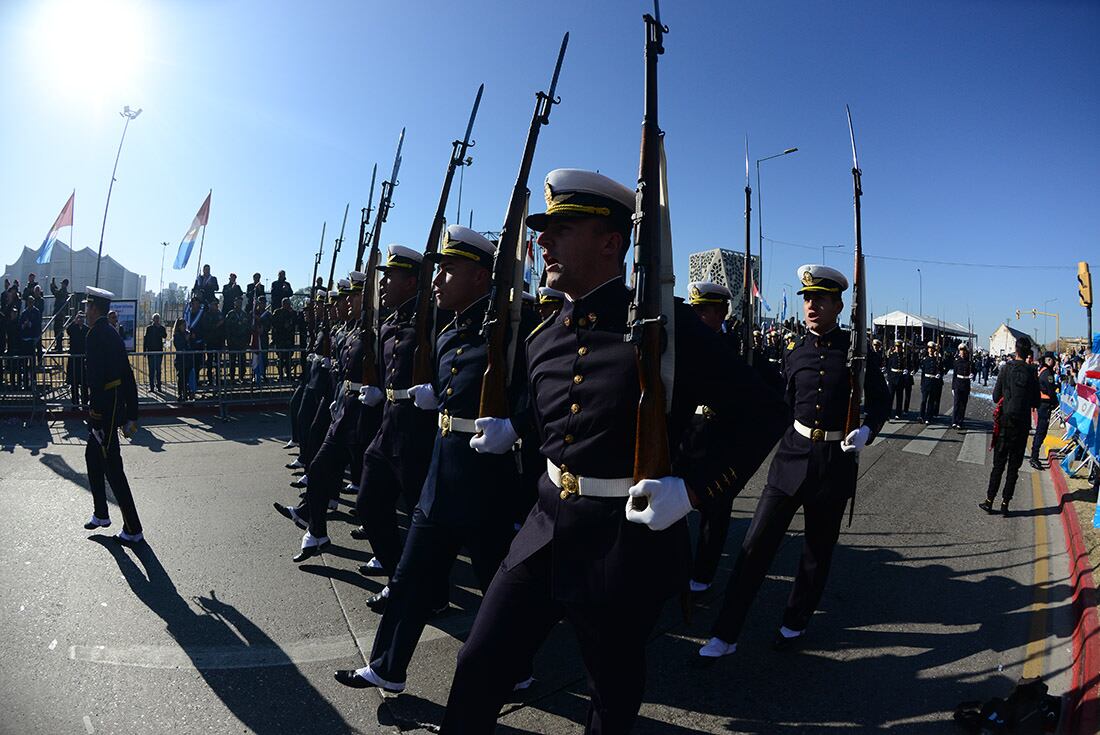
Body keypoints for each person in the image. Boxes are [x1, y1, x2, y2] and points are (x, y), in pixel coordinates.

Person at [437, 171, 787, 732]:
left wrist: (693, 489)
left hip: (621, 544)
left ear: (612, 242)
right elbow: (546, 413)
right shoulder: (541, 337)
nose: (543, 241)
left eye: (561, 228)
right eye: (544, 230)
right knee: (480, 660)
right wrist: (514, 430)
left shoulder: (665, 328)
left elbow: (763, 412)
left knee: (611, 694)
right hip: (545, 524)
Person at [335, 225, 537, 696]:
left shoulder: (513, 331)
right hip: (441, 471)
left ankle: (521, 665)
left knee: (495, 583)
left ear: (483, 277)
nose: (439, 278)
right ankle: (387, 666)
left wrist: (517, 427)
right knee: (409, 575)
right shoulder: (448, 333)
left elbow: (541, 396)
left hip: (486, 479)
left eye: (450, 269)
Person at [699, 263, 890, 662]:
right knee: (754, 546)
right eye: (807, 298)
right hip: (790, 458)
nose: (811, 305)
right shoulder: (793, 350)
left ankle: (796, 617)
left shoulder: (856, 351)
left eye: (820, 298)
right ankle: (726, 631)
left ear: (839, 304)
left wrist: (868, 430)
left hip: (834, 463)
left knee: (817, 551)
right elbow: (779, 405)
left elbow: (881, 399)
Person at [352, 245, 438, 583]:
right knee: (369, 504)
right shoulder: (389, 323)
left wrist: (439, 395)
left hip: (417, 430)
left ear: (413, 282)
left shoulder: (432, 319)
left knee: (425, 520)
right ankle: (398, 576)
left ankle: (428, 591)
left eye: (391, 276)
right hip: (388, 425)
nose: (384, 283)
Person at [684, 280, 739, 593]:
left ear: (721, 312)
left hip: (719, 439)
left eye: (704, 310)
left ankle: (702, 577)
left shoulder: (736, 349)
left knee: (715, 515)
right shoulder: (681, 342)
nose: (698, 315)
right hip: (685, 437)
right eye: (696, 309)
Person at [81, 287, 144, 545]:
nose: (85, 311)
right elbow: (127, 375)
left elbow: (95, 379)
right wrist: (132, 412)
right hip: (114, 405)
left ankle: (133, 528)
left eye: (87, 307)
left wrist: (95, 415)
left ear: (95, 308)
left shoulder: (96, 334)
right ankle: (101, 513)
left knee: (113, 468)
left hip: (104, 409)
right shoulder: (112, 333)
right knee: (92, 457)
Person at [982, 337, 1039, 514]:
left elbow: (995, 395)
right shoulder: (1032, 372)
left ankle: (989, 500)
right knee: (1014, 467)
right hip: (1022, 424)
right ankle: (1006, 503)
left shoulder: (1006, 369)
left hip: (1006, 421)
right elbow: (1036, 400)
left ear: (1016, 350)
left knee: (998, 465)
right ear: (1028, 352)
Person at [1029, 351, 1058, 470]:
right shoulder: (1048, 374)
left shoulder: (1042, 370)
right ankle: (1034, 457)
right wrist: (1055, 401)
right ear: (1049, 360)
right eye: (1053, 360)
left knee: (1040, 431)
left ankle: (1034, 455)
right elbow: (1051, 392)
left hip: (1041, 404)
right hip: (1045, 405)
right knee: (1041, 431)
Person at [65, 311, 89, 407]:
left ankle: (84, 402)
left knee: (84, 382)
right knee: (74, 383)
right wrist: (74, 321)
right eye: (79, 317)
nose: (80, 319)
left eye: (82, 317)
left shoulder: (87, 329)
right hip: (74, 359)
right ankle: (74, 402)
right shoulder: (72, 328)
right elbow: (68, 330)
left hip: (83, 359)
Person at [224, 296, 249, 382]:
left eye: (240, 302)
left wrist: (247, 341)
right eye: (237, 302)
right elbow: (227, 328)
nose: (239, 304)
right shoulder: (231, 314)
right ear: (234, 303)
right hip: (233, 341)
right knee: (232, 362)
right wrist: (228, 340)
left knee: (242, 361)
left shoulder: (244, 314)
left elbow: (247, 329)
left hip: (242, 342)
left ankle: (241, 377)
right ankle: (232, 378)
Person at [271, 297, 297, 380]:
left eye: (289, 304)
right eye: (286, 304)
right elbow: (274, 325)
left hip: (289, 339)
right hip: (280, 339)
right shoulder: (277, 312)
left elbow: (295, 323)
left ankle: (289, 374)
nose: (288, 306)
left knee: (289, 358)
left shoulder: (292, 313)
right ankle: (280, 375)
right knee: (281, 358)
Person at [918, 341, 944, 424]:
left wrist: (939, 374)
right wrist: (922, 384)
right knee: (923, 401)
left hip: (934, 383)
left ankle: (928, 418)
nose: (930, 350)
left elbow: (941, 369)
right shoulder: (925, 359)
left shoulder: (937, 360)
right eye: (929, 349)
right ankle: (921, 416)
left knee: (931, 401)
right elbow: (923, 373)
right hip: (926, 382)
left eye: (932, 349)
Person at [143, 314, 168, 392]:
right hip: (151, 351)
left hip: (159, 351)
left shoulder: (161, 328)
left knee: (158, 370)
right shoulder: (149, 328)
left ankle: (159, 386)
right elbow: (145, 339)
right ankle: (151, 387)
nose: (157, 320)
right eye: (155, 318)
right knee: (151, 370)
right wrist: (144, 351)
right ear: (152, 319)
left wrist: (160, 329)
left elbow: (165, 336)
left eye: (158, 318)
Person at [951, 344, 973, 430]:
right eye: (961, 351)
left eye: (964, 351)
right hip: (958, 384)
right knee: (956, 403)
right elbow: (954, 375)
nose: (962, 353)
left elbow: (973, 372)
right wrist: (953, 387)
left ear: (966, 352)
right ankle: (954, 421)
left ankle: (960, 422)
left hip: (966, 384)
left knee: (963, 404)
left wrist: (972, 375)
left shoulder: (969, 362)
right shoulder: (956, 361)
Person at [172, 318, 192, 402]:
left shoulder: (187, 333)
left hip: (188, 359)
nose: (185, 327)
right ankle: (180, 394)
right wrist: (186, 340)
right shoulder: (176, 335)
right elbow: (179, 346)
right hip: (180, 359)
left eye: (185, 325)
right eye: (183, 325)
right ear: (179, 326)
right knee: (181, 377)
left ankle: (187, 394)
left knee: (187, 377)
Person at [50, 277, 70, 351]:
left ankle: (59, 346)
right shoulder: (63, 291)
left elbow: (56, 293)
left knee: (58, 330)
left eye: (62, 284)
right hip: (60, 313)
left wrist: (52, 286)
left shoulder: (63, 292)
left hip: (60, 313)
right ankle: (58, 345)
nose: (62, 285)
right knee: (57, 330)